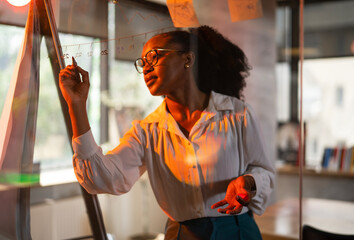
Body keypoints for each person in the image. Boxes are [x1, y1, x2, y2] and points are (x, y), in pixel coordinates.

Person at [59, 25, 275, 240]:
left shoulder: (237, 114)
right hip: (182, 234)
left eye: (153, 57)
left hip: (237, 232)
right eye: (142, 63)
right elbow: (101, 179)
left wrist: (248, 182)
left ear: (187, 60)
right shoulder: (147, 130)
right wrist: (76, 106)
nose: (146, 68)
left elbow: (264, 171)